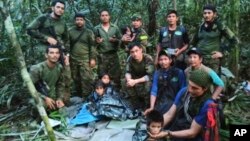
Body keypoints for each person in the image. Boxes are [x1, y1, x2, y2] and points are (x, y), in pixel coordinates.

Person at [149, 69, 219, 141]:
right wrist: (155, 127)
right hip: (181, 125)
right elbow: (169, 114)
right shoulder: (184, 92)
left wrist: (168, 133)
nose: (190, 90)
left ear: (205, 89)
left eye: (195, 88)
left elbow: (192, 132)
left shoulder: (207, 105)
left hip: (194, 135)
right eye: (189, 85)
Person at [191, 4, 238, 73]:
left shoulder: (220, 26)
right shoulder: (200, 26)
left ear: (214, 14)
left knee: (213, 82)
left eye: (209, 13)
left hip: (212, 61)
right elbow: (193, 43)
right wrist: (193, 55)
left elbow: (235, 41)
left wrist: (223, 53)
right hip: (199, 60)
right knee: (198, 81)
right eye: (205, 13)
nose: (206, 15)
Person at [144, 49, 186, 115]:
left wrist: (177, 103)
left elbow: (183, 89)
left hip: (175, 102)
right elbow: (154, 90)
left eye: (165, 59)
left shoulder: (178, 72)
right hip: (161, 102)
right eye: (161, 60)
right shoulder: (157, 73)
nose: (163, 62)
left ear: (170, 60)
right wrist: (151, 107)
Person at [29, 45, 71, 110]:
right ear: (46, 55)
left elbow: (60, 84)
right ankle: (38, 117)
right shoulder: (37, 69)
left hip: (52, 94)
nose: (55, 55)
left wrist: (59, 98)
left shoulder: (59, 67)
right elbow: (28, 88)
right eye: (52, 53)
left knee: (66, 100)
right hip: (40, 95)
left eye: (57, 53)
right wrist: (45, 98)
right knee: (39, 104)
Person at [68, 12, 97, 99]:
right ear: (74, 21)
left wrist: (92, 59)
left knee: (87, 80)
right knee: (76, 79)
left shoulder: (89, 32)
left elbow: (92, 46)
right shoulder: (70, 31)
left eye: (81, 20)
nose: (79, 21)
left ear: (84, 21)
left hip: (85, 60)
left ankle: (87, 98)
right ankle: (79, 97)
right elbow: (67, 45)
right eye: (77, 20)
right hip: (73, 60)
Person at [93, 10, 122, 89]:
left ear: (109, 17)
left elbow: (121, 40)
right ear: (100, 17)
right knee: (102, 75)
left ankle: (116, 93)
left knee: (116, 75)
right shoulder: (96, 29)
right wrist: (97, 41)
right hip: (102, 56)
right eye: (102, 15)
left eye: (106, 15)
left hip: (113, 55)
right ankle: (102, 94)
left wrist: (115, 40)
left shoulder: (115, 28)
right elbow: (92, 43)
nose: (104, 17)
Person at [124, 42, 154, 110]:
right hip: (136, 78)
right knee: (126, 82)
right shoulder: (130, 59)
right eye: (132, 52)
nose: (135, 54)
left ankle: (147, 106)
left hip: (145, 79)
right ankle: (136, 105)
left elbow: (149, 76)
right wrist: (129, 80)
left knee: (148, 84)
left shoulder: (147, 58)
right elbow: (127, 72)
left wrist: (134, 81)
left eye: (136, 51)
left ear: (141, 50)